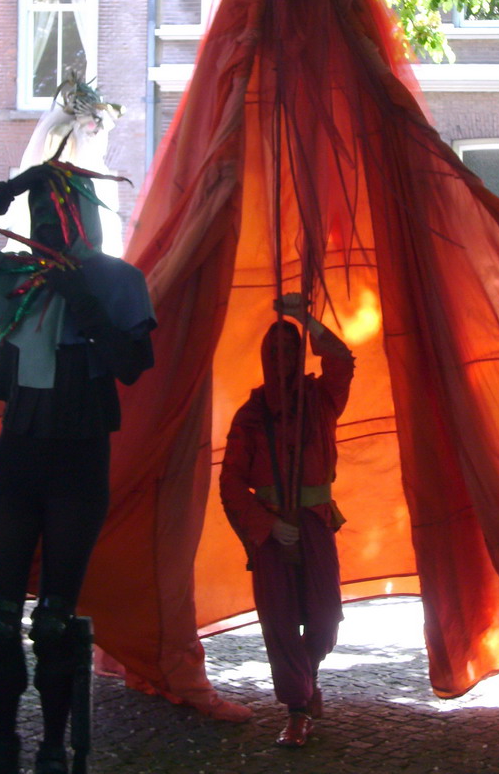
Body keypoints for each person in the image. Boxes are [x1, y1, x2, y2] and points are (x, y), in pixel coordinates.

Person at [0, 159, 156, 774]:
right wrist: (3, 194)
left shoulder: (117, 280)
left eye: (55, 208)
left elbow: (134, 363)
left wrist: (86, 307)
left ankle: (54, 747)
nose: (46, 221)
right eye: (38, 209)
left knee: (56, 620)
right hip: (21, 454)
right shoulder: (13, 273)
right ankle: (4, 744)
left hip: (80, 457)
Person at [220, 293, 354, 747]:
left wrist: (306, 320)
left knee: (324, 617)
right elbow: (232, 483)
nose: (282, 359)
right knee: (278, 620)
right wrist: (265, 525)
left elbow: (341, 361)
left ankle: (309, 675)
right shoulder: (250, 416)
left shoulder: (322, 399)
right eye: (273, 351)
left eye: (291, 350)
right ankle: (298, 709)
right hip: (272, 529)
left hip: (315, 521)